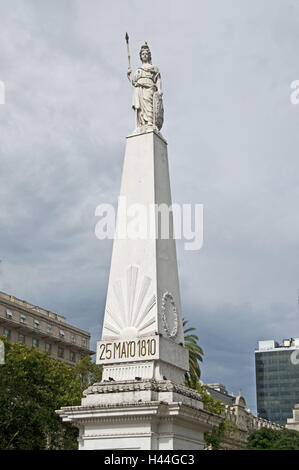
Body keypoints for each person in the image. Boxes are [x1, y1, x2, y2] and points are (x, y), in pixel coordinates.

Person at [127, 42, 164, 131]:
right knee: (140, 109)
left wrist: (159, 89)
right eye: (142, 54)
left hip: (149, 87)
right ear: (140, 56)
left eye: (146, 54)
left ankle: (150, 122)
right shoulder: (138, 70)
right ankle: (142, 124)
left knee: (149, 105)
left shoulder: (154, 68)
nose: (144, 55)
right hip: (139, 89)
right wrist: (129, 76)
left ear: (149, 55)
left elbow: (158, 79)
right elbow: (134, 82)